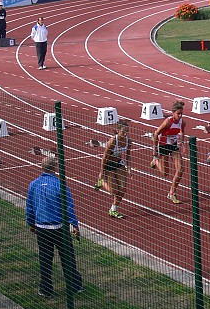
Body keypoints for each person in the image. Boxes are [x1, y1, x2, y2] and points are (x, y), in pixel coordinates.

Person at [25, 156, 83, 298]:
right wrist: (74, 224)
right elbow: (68, 207)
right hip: (59, 228)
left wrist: (31, 223)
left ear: (42, 167)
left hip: (41, 227)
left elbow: (29, 206)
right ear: (55, 168)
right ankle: (74, 286)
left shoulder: (34, 184)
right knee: (67, 258)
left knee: (45, 259)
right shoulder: (60, 185)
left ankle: (45, 289)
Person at [96, 120, 132, 218]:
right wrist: (102, 172)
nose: (125, 134)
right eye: (123, 132)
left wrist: (129, 168)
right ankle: (102, 181)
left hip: (119, 164)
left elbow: (128, 155)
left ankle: (113, 209)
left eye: (127, 132)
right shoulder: (112, 141)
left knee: (123, 188)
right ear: (117, 131)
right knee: (113, 191)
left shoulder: (128, 141)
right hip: (109, 165)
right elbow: (104, 157)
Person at [153, 101, 187, 203]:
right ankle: (156, 161)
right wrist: (155, 150)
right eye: (178, 113)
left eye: (181, 113)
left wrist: (182, 143)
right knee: (165, 173)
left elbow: (182, 133)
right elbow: (156, 134)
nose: (180, 116)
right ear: (173, 113)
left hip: (174, 146)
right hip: (163, 145)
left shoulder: (182, 122)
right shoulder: (168, 122)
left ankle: (172, 193)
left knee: (180, 169)